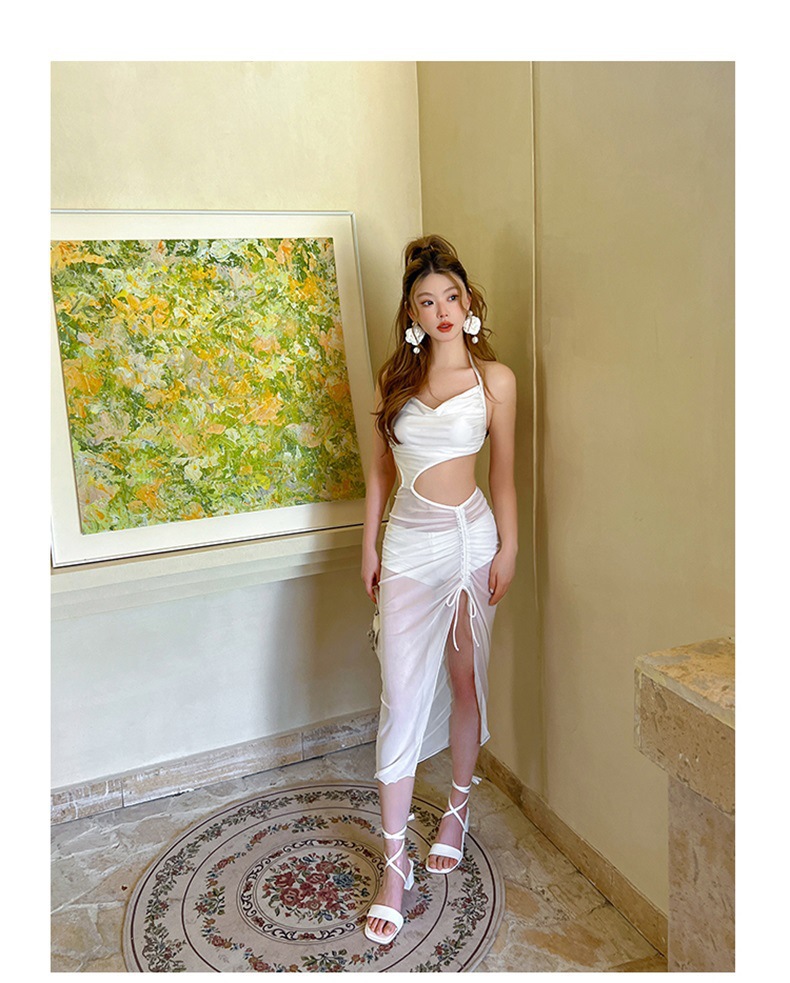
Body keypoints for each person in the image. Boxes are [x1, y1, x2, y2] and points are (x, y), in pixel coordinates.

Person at [360, 234, 518, 944]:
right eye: (427, 301)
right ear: (412, 313)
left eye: (451, 296)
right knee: (399, 694)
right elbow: (378, 474)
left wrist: (510, 546)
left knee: (464, 678)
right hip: (406, 545)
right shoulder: (393, 382)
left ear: (468, 300)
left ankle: (456, 807)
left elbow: (504, 476)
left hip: (471, 541)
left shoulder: (496, 381)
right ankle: (395, 865)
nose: (442, 310)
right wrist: (368, 544)